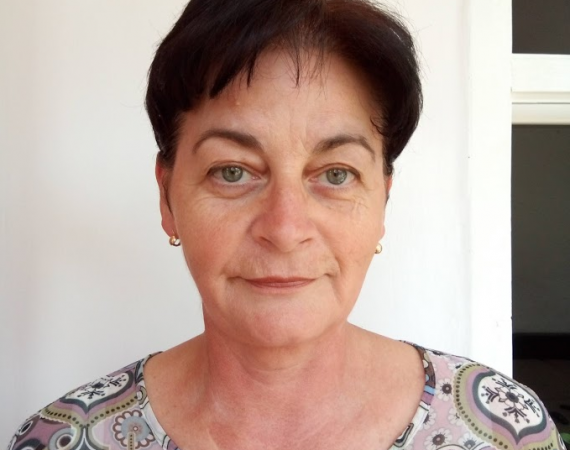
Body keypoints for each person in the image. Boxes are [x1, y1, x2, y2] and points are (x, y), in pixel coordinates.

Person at [7, 1, 565, 450]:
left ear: (382, 203)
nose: (285, 227)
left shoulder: (501, 430)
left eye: (336, 174)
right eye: (233, 171)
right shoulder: (62, 438)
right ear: (167, 198)